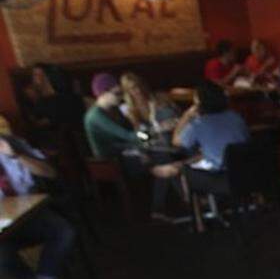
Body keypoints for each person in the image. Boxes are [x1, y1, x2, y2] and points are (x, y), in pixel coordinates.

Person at [83, 72, 182, 221]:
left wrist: (148, 139)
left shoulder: (110, 110)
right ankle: (171, 202)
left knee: (163, 156)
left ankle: (166, 204)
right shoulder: (96, 116)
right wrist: (157, 130)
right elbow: (128, 136)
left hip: (123, 151)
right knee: (162, 158)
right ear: (103, 93)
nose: (120, 96)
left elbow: (132, 135)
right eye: (117, 93)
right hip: (110, 161)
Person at [0, 132, 75, 279]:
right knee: (2, 251)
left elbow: (50, 172)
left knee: (63, 231)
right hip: (4, 222)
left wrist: (16, 155)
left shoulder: (14, 143)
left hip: (31, 213)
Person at [170, 82, 251, 231]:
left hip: (222, 178)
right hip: (247, 172)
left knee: (183, 172)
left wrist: (186, 116)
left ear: (199, 103)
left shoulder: (198, 124)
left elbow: (176, 142)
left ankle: (199, 220)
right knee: (196, 160)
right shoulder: (236, 117)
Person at [120, 72, 180, 139]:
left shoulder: (160, 97)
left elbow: (179, 116)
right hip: (155, 140)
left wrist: (175, 122)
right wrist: (158, 128)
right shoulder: (128, 109)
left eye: (139, 85)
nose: (138, 90)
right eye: (133, 88)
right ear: (127, 92)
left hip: (177, 132)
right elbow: (139, 135)